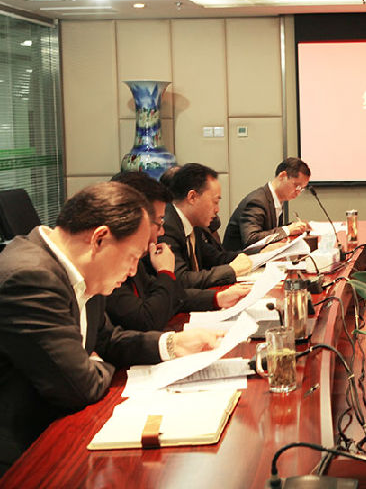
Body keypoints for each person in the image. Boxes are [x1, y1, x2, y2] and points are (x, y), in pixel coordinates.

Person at [0, 182, 221, 472]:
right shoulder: (31, 277)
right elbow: (80, 387)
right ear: (99, 239)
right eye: (132, 257)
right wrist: (93, 362)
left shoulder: (79, 270)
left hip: (64, 430)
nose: (133, 271)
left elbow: (106, 340)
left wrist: (172, 344)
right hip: (25, 455)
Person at [106, 171, 250, 331]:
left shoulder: (133, 259)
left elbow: (173, 296)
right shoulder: (108, 266)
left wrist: (217, 298)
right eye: (159, 222)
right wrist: (166, 271)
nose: (161, 232)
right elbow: (146, 319)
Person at [160, 163, 252, 288]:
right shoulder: (166, 227)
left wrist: (253, 256)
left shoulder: (194, 224)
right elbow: (181, 280)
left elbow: (215, 258)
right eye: (215, 202)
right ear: (192, 197)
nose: (217, 209)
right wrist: (231, 270)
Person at [222, 157, 311, 251]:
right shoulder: (257, 201)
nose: (298, 192)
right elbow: (250, 239)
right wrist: (287, 230)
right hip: (239, 258)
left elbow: (268, 230)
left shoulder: (275, 199)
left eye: (301, 189)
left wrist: (294, 227)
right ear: (282, 176)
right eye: (297, 186)